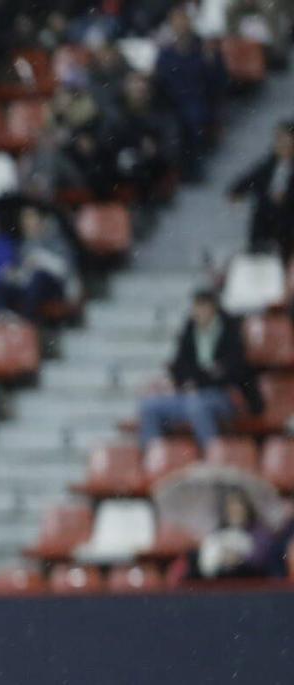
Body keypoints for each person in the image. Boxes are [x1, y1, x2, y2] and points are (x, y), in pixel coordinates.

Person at [138, 291, 263, 449]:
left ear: (213, 308)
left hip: (223, 395)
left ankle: (211, 456)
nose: (198, 312)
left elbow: (232, 370)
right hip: (190, 393)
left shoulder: (231, 330)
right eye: (196, 307)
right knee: (150, 406)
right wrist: (200, 377)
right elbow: (179, 366)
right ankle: (155, 458)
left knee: (197, 406)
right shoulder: (189, 330)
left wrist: (199, 378)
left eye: (203, 307)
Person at [228, 121, 294, 263]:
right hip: (264, 231)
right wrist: (236, 193)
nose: (280, 144)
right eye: (278, 139)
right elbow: (245, 182)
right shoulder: (268, 166)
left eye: (285, 139)